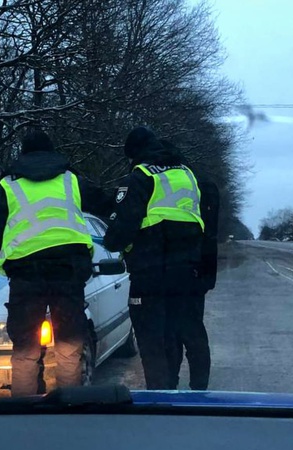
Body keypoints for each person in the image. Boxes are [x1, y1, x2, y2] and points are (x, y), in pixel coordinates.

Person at [0, 130, 112, 397]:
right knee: (69, 348)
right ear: (52, 152)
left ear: (23, 154)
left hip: (26, 274)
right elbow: (105, 203)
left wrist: (16, 245)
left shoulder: (8, 184)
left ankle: (25, 410)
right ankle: (70, 406)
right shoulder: (71, 180)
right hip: (68, 270)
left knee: (25, 351)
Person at [103, 127, 207, 390]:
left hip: (150, 271)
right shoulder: (187, 174)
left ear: (134, 153)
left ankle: (160, 398)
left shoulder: (141, 176)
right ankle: (194, 394)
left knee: (152, 339)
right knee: (179, 332)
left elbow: (123, 228)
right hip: (187, 270)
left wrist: (111, 241)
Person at [160, 140, 219, 391]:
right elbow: (211, 233)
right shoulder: (203, 183)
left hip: (168, 269)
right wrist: (208, 273)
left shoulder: (160, 183)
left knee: (174, 332)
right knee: (193, 330)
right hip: (196, 269)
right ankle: (198, 389)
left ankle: (171, 386)